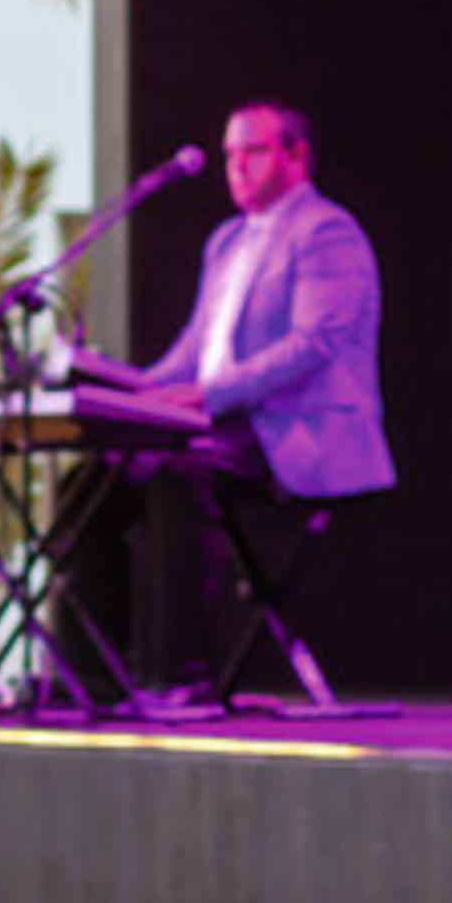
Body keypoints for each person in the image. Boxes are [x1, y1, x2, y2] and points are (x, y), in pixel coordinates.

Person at [76, 99, 391, 698]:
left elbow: (313, 344)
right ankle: (88, 677)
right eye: (229, 155)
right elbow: (190, 358)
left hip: (293, 433)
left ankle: (182, 678)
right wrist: (110, 382)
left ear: (296, 156)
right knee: (99, 479)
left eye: (253, 151)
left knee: (174, 473)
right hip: (226, 426)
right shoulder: (226, 244)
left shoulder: (326, 232)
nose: (236, 166)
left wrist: (206, 396)